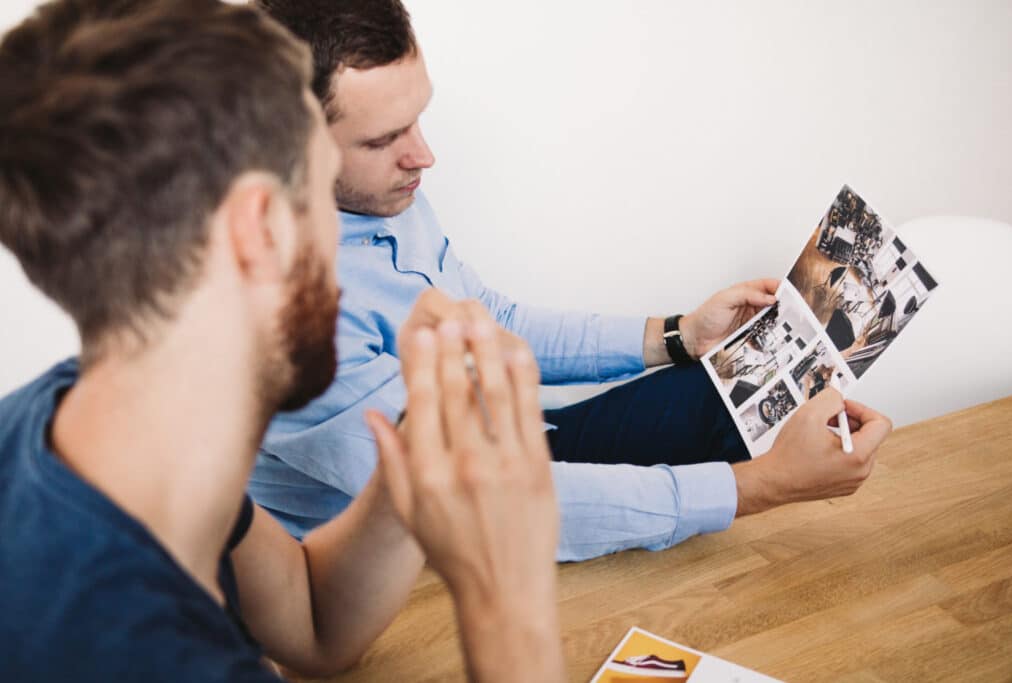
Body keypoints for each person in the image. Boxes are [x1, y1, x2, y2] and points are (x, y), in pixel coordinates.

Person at [0, 1, 565, 681]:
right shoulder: (136, 654)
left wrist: (412, 454)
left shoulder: (82, 429)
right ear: (260, 230)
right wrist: (509, 607)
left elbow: (314, 621)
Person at [250, 0, 894, 560]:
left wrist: (677, 334)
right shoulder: (286, 317)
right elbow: (483, 500)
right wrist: (765, 486)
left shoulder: (379, 195)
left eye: (419, 119)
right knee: (743, 475)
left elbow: (492, 317)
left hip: (506, 445)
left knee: (725, 397)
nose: (423, 155)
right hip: (424, 537)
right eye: (384, 139)